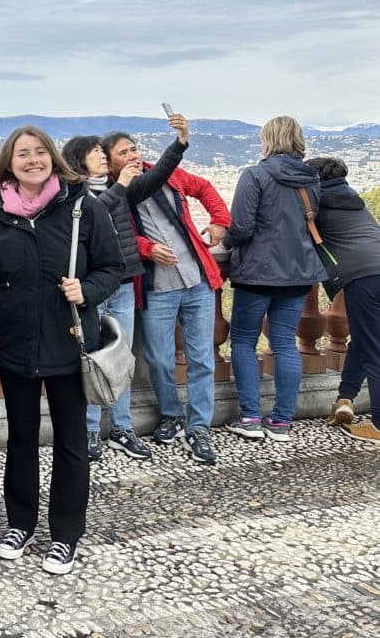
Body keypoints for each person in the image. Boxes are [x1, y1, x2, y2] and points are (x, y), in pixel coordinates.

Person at [0, 127, 123, 576]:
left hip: (69, 341)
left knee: (72, 441)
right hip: (15, 343)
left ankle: (65, 534)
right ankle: (20, 524)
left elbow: (113, 267)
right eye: (23, 154)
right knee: (20, 440)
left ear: (53, 158)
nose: (33, 160)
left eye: (40, 152)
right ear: (9, 163)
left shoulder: (83, 208)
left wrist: (88, 289)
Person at [61, 113, 190, 462]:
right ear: (78, 160)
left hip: (123, 284)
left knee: (120, 361)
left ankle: (121, 427)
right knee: (89, 360)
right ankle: (89, 431)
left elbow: (158, 177)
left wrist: (179, 144)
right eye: (95, 152)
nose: (102, 156)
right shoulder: (71, 194)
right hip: (90, 290)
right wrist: (121, 187)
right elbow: (93, 215)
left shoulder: (122, 188)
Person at [103, 129, 230, 465]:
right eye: (122, 153)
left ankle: (199, 426)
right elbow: (120, 237)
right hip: (158, 287)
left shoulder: (165, 175)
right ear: (109, 163)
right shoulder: (113, 194)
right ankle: (172, 415)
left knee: (201, 357)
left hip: (197, 280)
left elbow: (203, 187)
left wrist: (220, 222)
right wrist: (148, 249)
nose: (132, 156)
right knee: (159, 359)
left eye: (133, 149)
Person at [222, 117, 326, 443]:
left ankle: (250, 417)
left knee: (242, 341)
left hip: (257, 272)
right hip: (298, 274)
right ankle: (281, 421)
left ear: (268, 139)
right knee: (284, 344)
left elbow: (240, 227)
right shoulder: (311, 179)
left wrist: (222, 243)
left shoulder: (255, 175)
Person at [307, 157, 380, 443]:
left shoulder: (316, 207)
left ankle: (377, 426)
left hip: (364, 279)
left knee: (375, 351)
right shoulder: (354, 201)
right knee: (363, 342)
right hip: (375, 271)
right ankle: (345, 400)